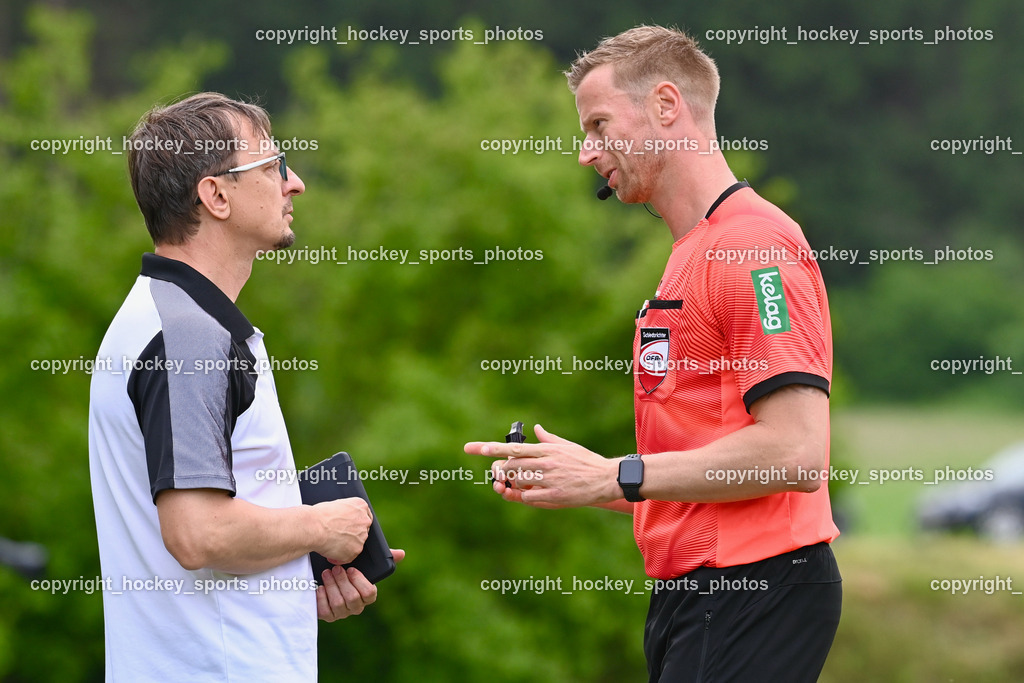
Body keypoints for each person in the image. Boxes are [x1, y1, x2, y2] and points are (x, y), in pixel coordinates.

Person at [465, 26, 840, 682]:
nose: (586, 153)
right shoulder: (690, 252)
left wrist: (617, 474)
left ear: (667, 106)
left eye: (600, 125)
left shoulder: (752, 246)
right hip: (701, 596)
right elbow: (698, 472)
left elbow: (796, 453)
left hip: (750, 586)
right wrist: (584, 477)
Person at [88, 92, 403, 681]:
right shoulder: (188, 338)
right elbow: (197, 533)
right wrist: (323, 526)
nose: (296, 183)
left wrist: (289, 580)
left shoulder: (163, 320)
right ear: (216, 195)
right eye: (273, 165)